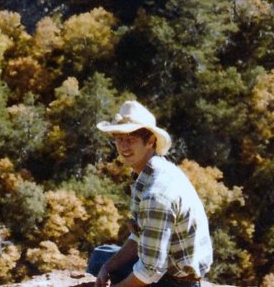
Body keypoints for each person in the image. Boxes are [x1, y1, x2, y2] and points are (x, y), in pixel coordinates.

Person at [88, 100, 213, 287]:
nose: (123, 147)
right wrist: (108, 266)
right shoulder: (152, 172)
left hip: (178, 281)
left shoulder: (156, 194)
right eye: (119, 139)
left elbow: (149, 271)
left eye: (131, 140)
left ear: (151, 141)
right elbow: (140, 236)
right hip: (168, 264)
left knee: (112, 266)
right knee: (101, 257)